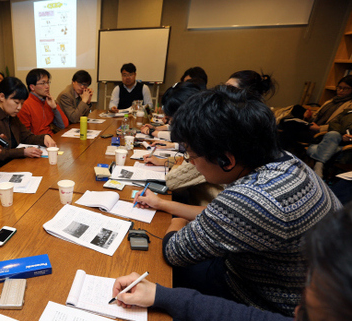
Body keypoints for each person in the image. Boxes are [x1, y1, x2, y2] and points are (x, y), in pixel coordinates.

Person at [133, 86, 341, 316]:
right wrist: (164, 205)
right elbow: (222, 215)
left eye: (191, 157)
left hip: (262, 302)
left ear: (226, 160)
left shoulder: (252, 198)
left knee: (149, 266)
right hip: (300, 287)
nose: (190, 164)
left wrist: (177, 221)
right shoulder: (287, 162)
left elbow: (175, 251)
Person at [112, 202, 352, 321]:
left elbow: (176, 251)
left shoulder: (260, 199)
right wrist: (160, 295)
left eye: (313, 286)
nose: (298, 307)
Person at [0, 77, 57, 169]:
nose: (19, 107)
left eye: (22, 103)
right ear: (2, 97)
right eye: (16, 102)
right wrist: (23, 152)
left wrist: (44, 137)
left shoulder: (11, 115)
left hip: (15, 164)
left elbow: (26, 136)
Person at [17, 68, 69, 135]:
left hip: (51, 139)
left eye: (47, 82)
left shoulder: (48, 101)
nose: (47, 86)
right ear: (32, 87)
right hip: (38, 142)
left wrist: (54, 108)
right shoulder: (25, 105)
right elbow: (25, 136)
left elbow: (64, 125)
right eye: (43, 83)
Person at [307, 107, 352, 178]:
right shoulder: (347, 112)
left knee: (313, 149)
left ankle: (318, 164)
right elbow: (333, 123)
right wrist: (342, 134)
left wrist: (350, 138)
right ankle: (319, 165)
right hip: (334, 141)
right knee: (333, 134)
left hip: (347, 148)